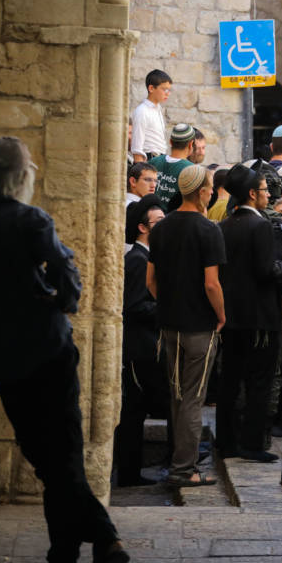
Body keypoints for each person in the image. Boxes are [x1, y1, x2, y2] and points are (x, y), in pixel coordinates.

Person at [0, 137, 127, 563]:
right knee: (62, 460)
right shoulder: (31, 220)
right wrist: (60, 301)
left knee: (51, 464)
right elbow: (68, 278)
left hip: (5, 362)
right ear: (23, 177)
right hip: (49, 352)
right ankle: (103, 540)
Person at [147, 164, 225, 487]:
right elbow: (211, 284)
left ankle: (178, 464)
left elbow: (151, 281)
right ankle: (185, 470)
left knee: (177, 397)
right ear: (202, 192)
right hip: (199, 327)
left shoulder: (161, 229)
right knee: (192, 398)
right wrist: (221, 315)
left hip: (169, 326)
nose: (211, 192)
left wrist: (169, 302)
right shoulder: (209, 230)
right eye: (209, 188)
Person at [215, 165, 282, 462]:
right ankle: (253, 443)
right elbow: (265, 270)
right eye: (266, 190)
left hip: (231, 317)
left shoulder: (225, 225)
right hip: (258, 318)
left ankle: (227, 442)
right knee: (258, 382)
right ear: (253, 194)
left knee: (229, 380)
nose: (268, 195)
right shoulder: (260, 226)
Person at [118, 195, 168, 488]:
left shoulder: (143, 258)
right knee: (134, 413)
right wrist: (166, 308)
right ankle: (129, 473)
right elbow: (135, 306)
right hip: (139, 349)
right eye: (158, 223)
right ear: (142, 228)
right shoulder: (137, 260)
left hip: (143, 347)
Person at [148, 123, 196, 210]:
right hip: (174, 220)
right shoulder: (192, 170)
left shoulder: (153, 162)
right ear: (190, 144)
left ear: (170, 141)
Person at [131, 69, 170, 162]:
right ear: (151, 88)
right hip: (149, 160)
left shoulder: (158, 110)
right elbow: (137, 147)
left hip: (160, 159)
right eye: (164, 89)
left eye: (169, 90)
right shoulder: (142, 111)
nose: (168, 93)